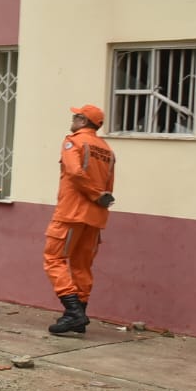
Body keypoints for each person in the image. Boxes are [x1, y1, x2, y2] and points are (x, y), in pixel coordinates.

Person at [43, 103, 116, 334]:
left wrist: (93, 194)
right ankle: (78, 315)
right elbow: (108, 188)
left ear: (84, 121)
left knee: (54, 259)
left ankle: (73, 311)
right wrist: (98, 198)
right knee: (82, 265)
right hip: (95, 217)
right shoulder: (107, 150)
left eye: (76, 116)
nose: (73, 119)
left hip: (71, 213)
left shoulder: (73, 141)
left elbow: (74, 172)